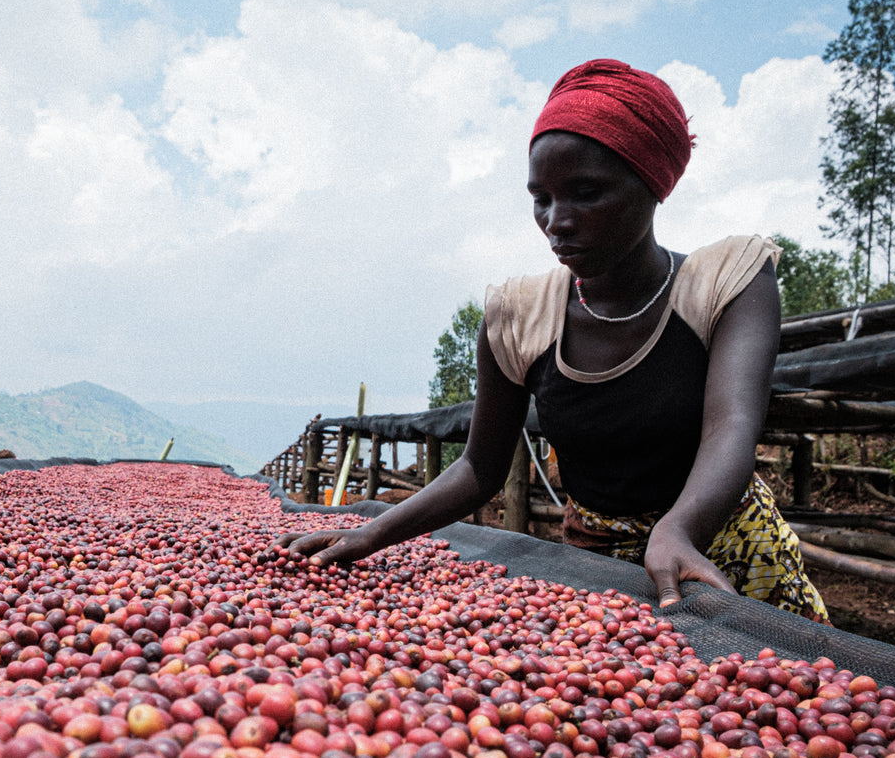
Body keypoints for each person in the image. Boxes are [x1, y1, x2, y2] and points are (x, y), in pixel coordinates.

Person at [280, 59, 827, 624]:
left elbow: (732, 423)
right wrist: (372, 534)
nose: (556, 222)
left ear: (652, 185)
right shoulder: (519, 317)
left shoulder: (728, 283)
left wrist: (679, 529)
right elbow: (479, 468)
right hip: (597, 564)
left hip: (726, 547)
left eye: (586, 193)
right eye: (541, 198)